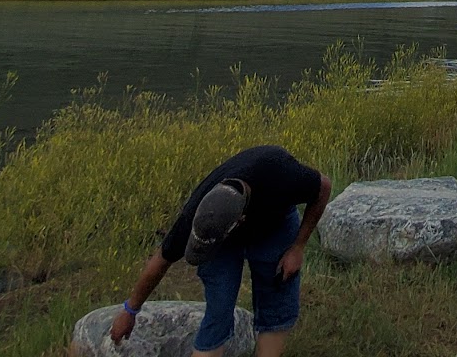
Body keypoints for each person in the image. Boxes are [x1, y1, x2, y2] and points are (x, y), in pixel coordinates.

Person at [109, 144, 332, 356]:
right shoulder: (197, 216)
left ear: (240, 221)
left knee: (276, 296)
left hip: (275, 225)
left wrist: (298, 247)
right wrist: (130, 310)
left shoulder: (281, 173)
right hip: (221, 236)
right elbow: (160, 261)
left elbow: (324, 187)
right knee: (219, 309)